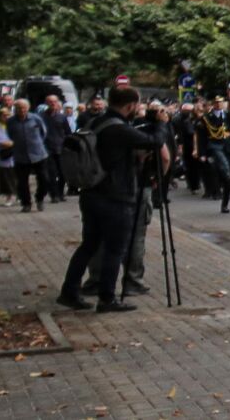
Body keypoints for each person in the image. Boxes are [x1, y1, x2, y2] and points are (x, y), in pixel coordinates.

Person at [57, 87, 167, 313]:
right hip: (116, 197)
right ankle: (107, 298)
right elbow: (154, 142)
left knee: (89, 245)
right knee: (115, 249)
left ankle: (69, 291)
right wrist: (161, 122)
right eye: (136, 105)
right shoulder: (118, 129)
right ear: (130, 106)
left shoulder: (96, 123)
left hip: (91, 192)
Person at [81, 103, 172, 299]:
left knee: (98, 240)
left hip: (99, 187)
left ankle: (95, 280)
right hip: (134, 189)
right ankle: (132, 281)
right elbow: (165, 157)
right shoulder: (146, 130)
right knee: (134, 238)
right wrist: (158, 179)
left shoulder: (101, 124)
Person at [6, 99, 51, 211]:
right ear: (15, 109)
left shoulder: (36, 119)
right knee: (22, 182)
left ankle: (40, 198)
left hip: (38, 154)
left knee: (44, 179)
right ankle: (26, 203)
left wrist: (36, 143)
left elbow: (43, 133)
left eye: (24, 108)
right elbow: (10, 135)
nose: (22, 110)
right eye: (19, 108)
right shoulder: (10, 121)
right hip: (20, 155)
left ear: (28, 108)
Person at [197, 96, 230, 212]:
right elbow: (201, 137)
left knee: (228, 179)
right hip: (214, 146)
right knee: (224, 172)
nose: (219, 104)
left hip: (229, 147)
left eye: (221, 102)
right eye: (216, 102)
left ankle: (225, 204)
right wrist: (202, 153)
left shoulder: (229, 115)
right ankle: (218, 191)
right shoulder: (206, 118)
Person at [40, 96, 71, 203]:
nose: (53, 103)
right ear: (46, 103)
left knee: (63, 173)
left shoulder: (62, 117)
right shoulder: (41, 117)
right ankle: (54, 195)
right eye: (50, 102)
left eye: (54, 101)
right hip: (47, 149)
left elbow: (68, 133)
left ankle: (60, 193)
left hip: (61, 148)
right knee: (51, 173)